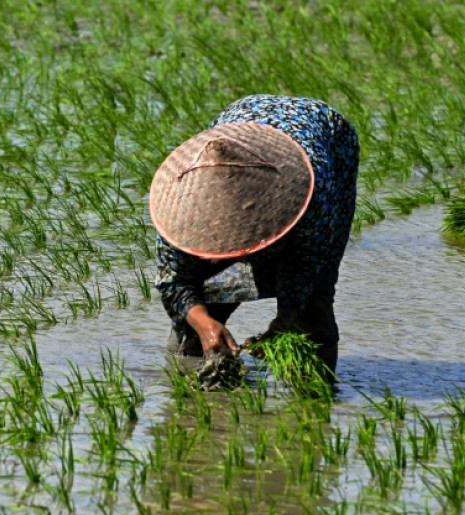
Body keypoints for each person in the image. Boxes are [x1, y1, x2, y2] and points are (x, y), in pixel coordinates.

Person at [149, 94, 359, 376]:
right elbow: (173, 280)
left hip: (324, 137)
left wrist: (284, 321)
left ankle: (320, 402)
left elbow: (306, 263)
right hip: (241, 121)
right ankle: (188, 397)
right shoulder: (180, 205)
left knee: (313, 305)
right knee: (197, 319)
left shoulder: (313, 196)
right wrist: (203, 323)